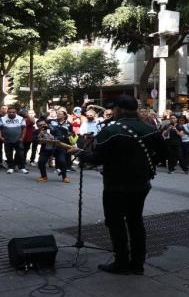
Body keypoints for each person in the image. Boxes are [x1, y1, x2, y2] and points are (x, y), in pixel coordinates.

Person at [69, 95, 165, 275]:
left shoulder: (111, 130)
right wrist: (145, 165)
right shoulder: (150, 128)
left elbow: (97, 158)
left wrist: (80, 153)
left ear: (119, 110)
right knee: (136, 222)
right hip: (141, 184)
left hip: (116, 185)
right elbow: (164, 154)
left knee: (115, 223)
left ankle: (121, 262)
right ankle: (137, 264)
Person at [36, 118, 70, 183]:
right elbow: (35, 140)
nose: (42, 126)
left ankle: (64, 177)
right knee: (41, 162)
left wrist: (53, 137)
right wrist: (39, 136)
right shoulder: (37, 131)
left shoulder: (54, 128)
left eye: (43, 125)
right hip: (46, 149)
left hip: (58, 148)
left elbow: (61, 137)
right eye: (40, 125)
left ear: (47, 124)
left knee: (62, 161)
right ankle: (44, 176)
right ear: (37, 126)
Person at [0, 107, 28, 174]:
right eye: (10, 112)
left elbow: (24, 128)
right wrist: (0, 136)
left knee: (20, 154)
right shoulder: (2, 118)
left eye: (13, 112)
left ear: (16, 112)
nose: (11, 113)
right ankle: (10, 167)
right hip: (7, 140)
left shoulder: (20, 118)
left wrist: (22, 138)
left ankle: (22, 167)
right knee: (9, 154)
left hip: (18, 139)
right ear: (7, 112)